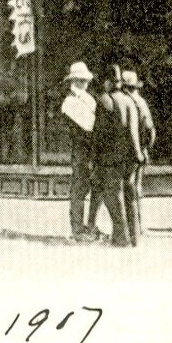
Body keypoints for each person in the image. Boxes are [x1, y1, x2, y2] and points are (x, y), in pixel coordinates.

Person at [90, 69, 144, 247]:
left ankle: (121, 238)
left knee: (113, 196)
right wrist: (138, 154)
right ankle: (135, 237)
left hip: (112, 157)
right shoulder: (130, 100)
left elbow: (100, 134)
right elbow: (135, 130)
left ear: (107, 81)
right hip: (132, 158)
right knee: (130, 196)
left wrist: (95, 157)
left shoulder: (106, 100)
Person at [60, 62, 100, 242]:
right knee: (79, 189)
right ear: (73, 80)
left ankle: (91, 224)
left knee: (96, 187)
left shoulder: (88, 98)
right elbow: (89, 126)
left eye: (86, 79)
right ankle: (77, 228)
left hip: (94, 150)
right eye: (81, 79)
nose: (85, 82)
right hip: (81, 151)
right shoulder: (69, 102)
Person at [124, 70, 156, 239]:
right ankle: (139, 226)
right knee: (136, 188)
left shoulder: (123, 101)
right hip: (139, 151)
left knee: (128, 189)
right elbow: (150, 130)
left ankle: (132, 228)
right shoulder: (141, 103)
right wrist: (145, 148)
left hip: (126, 152)